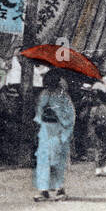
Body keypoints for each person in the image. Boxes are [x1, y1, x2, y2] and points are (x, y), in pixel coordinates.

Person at [33, 73, 76, 201]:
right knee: (43, 160)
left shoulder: (64, 96)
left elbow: (70, 115)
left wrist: (57, 115)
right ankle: (43, 190)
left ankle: (59, 189)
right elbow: (38, 112)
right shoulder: (44, 94)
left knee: (58, 160)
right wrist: (42, 115)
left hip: (58, 130)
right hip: (45, 130)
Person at [91, 93, 106, 175]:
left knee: (99, 148)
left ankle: (98, 167)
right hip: (105, 129)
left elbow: (92, 120)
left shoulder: (94, 109)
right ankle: (105, 166)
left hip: (96, 129)